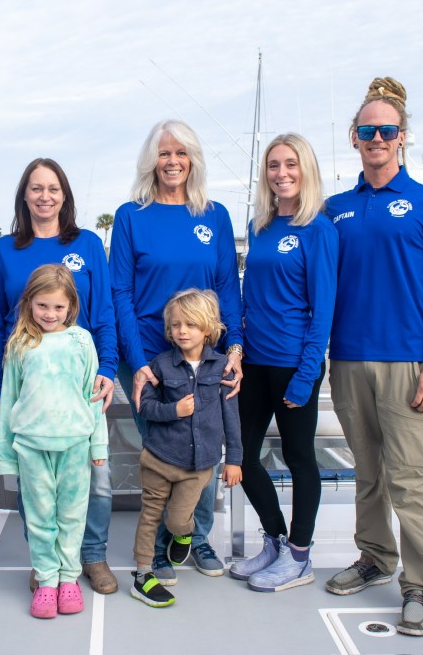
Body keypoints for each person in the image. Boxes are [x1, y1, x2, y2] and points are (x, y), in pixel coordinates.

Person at [324, 77, 423, 637]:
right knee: (367, 474)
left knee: (411, 479)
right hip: (348, 361)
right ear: (353, 138)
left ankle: (421, 587)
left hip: (409, 362)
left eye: (386, 130)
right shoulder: (333, 209)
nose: (376, 138)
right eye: (367, 130)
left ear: (402, 137)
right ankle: (376, 558)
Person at [110, 119, 243, 583]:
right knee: (166, 449)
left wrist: (235, 347)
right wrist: (139, 362)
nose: (172, 161)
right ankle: (165, 543)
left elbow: (227, 284)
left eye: (181, 153)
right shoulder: (131, 216)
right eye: (164, 153)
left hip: (202, 357)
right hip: (150, 356)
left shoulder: (215, 215)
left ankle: (196, 535)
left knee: (203, 445)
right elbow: (120, 293)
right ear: (152, 160)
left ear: (193, 160)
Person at [0, 158, 119, 594]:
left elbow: (103, 315)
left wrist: (108, 369)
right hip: (27, 382)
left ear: (65, 195)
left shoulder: (87, 245)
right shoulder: (5, 250)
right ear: (24, 195)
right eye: (36, 188)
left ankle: (91, 557)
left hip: (80, 384)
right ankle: (45, 564)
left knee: (93, 479)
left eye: (53, 188)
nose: (45, 196)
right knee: (36, 486)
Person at [229, 134, 337, 592]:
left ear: (305, 169)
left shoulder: (319, 229)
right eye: (274, 165)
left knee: (298, 460)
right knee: (244, 457)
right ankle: (274, 541)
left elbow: (323, 309)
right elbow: (250, 296)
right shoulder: (260, 225)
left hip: (296, 366)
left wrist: (307, 374)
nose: (282, 173)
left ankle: (300, 555)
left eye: (291, 164)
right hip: (254, 363)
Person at [0, 264, 108, 619]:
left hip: (75, 443)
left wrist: (98, 446)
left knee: (72, 516)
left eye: (58, 307)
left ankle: (69, 578)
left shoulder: (82, 340)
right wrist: (6, 457)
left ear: (71, 306)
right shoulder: (20, 343)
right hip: (30, 446)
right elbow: (9, 397)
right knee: (41, 517)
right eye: (43, 305)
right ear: (29, 303)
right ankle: (46, 581)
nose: (50, 314)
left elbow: (94, 396)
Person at [130, 289, 242, 608]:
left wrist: (234, 460)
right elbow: (146, 407)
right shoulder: (161, 365)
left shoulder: (221, 368)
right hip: (159, 458)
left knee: (179, 520)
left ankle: (184, 537)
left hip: (199, 467)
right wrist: (173, 411)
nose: (182, 331)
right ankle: (143, 573)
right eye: (176, 325)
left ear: (208, 329)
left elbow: (231, 419)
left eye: (191, 325)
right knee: (151, 514)